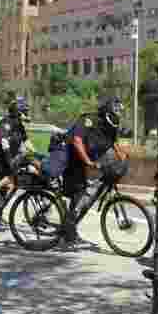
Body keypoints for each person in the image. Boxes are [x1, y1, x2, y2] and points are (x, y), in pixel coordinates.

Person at [60, 95, 129, 247]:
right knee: (79, 192)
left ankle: (70, 229)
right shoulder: (89, 120)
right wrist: (88, 162)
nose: (118, 112)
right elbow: (77, 141)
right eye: (115, 108)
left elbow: (113, 142)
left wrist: (121, 156)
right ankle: (68, 229)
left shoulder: (110, 124)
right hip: (70, 156)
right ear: (107, 109)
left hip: (84, 159)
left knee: (83, 193)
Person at [0, 96, 32, 227]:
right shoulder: (6, 123)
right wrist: (10, 159)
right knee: (9, 181)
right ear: (18, 112)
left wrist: (36, 153)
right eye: (25, 111)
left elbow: (26, 141)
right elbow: (4, 142)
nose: (27, 113)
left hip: (9, 157)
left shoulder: (19, 125)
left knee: (10, 186)